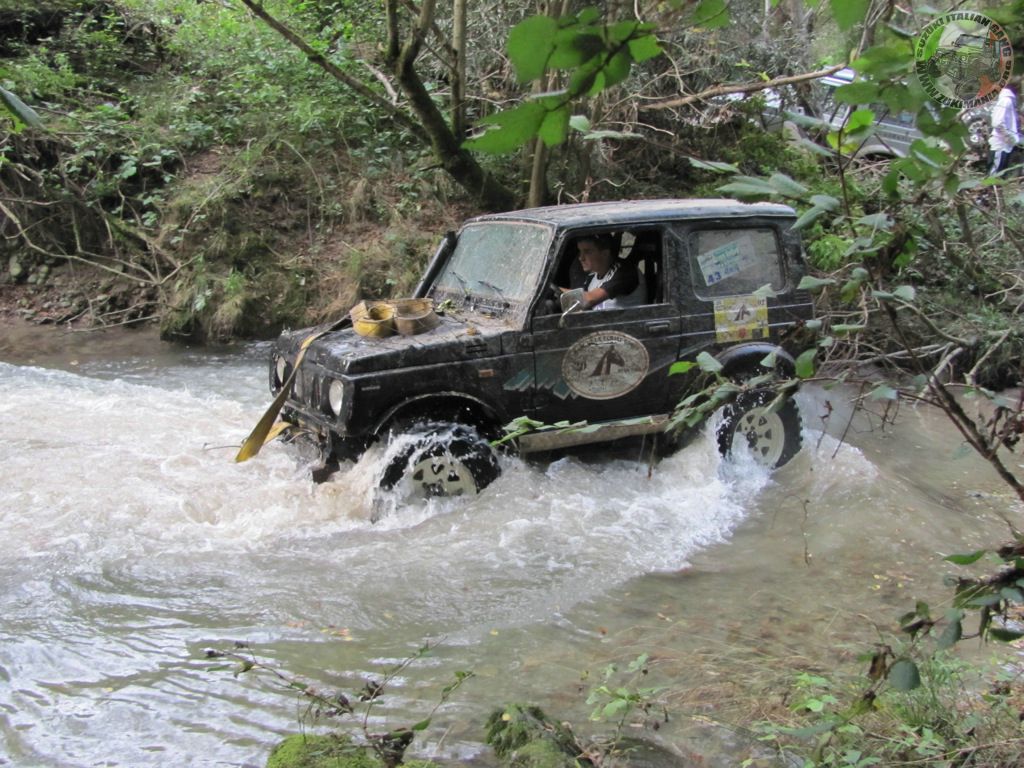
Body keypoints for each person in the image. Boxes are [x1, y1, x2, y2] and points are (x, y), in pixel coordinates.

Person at [564, 234, 646, 311]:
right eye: (580, 251)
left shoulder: (625, 271)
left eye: (587, 252)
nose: (581, 258)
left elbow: (588, 299)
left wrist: (558, 292)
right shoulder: (593, 276)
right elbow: (579, 302)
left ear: (605, 254)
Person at [988, 83, 1020, 175]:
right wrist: (1008, 137)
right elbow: (997, 122)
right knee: (994, 175)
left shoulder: (1007, 100)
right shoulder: (1006, 101)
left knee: (1000, 174)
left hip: (1004, 145)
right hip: (1001, 144)